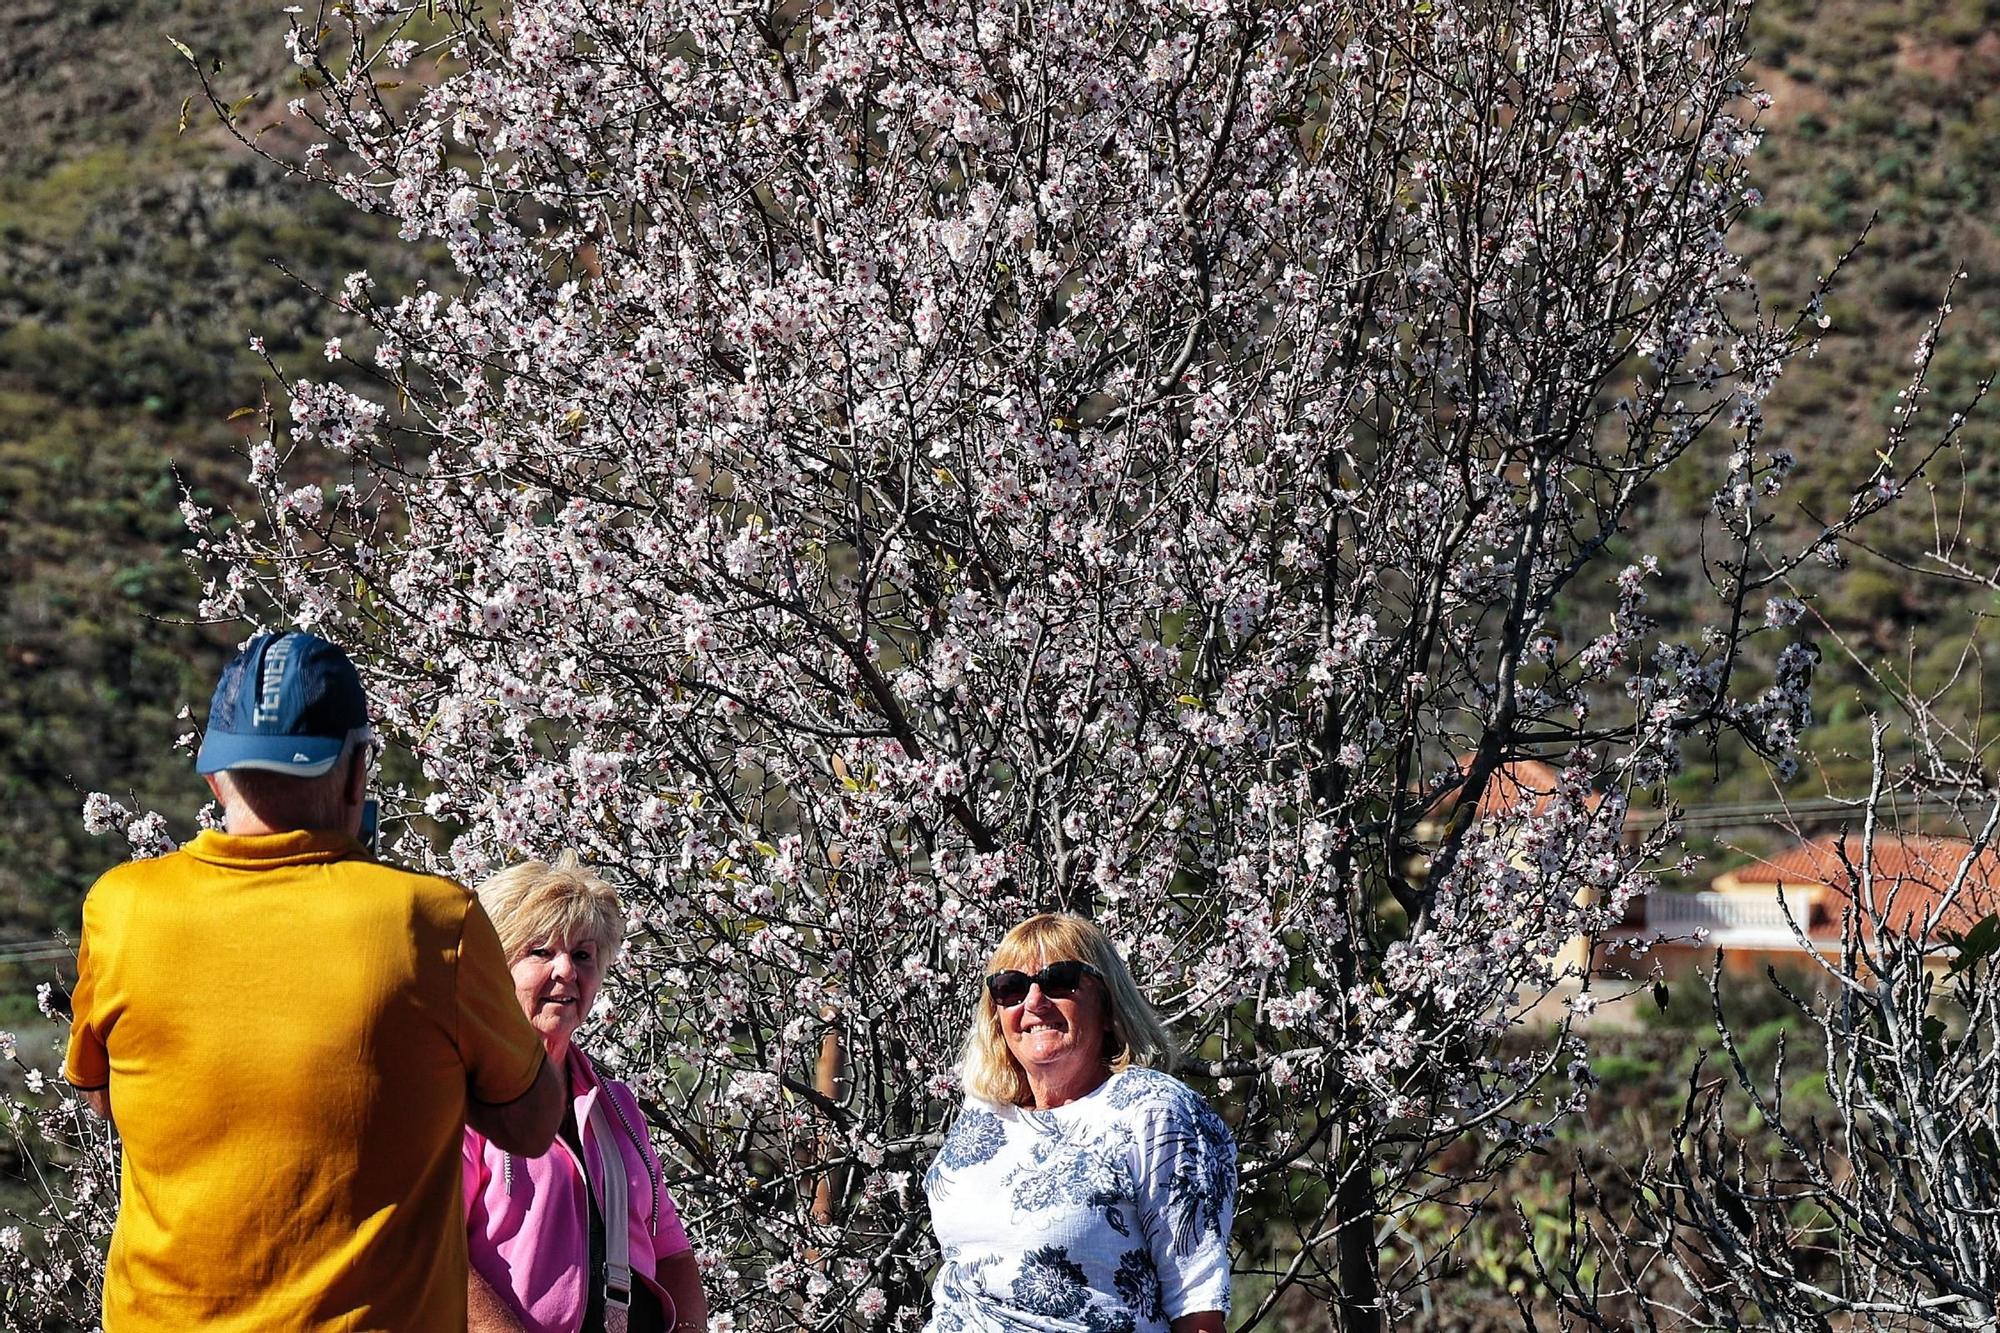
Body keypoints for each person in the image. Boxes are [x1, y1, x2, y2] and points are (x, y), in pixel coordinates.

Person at [63, 629, 563, 1331]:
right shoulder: (431, 922)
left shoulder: (120, 910)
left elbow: (107, 1095)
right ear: (359, 771)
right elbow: (533, 1122)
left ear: (213, 774)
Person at [924, 913, 1237, 1333]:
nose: (1033, 1002)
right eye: (1010, 988)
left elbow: (1197, 1306)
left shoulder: (1154, 1111)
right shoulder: (982, 1113)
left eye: (1060, 981)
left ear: (1108, 1005)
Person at [464, 853, 708, 1333]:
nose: (566, 971)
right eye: (540, 952)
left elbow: (671, 1250)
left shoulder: (615, 1107)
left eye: (582, 955)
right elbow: (432, 1254)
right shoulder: (459, 1102)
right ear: (493, 967)